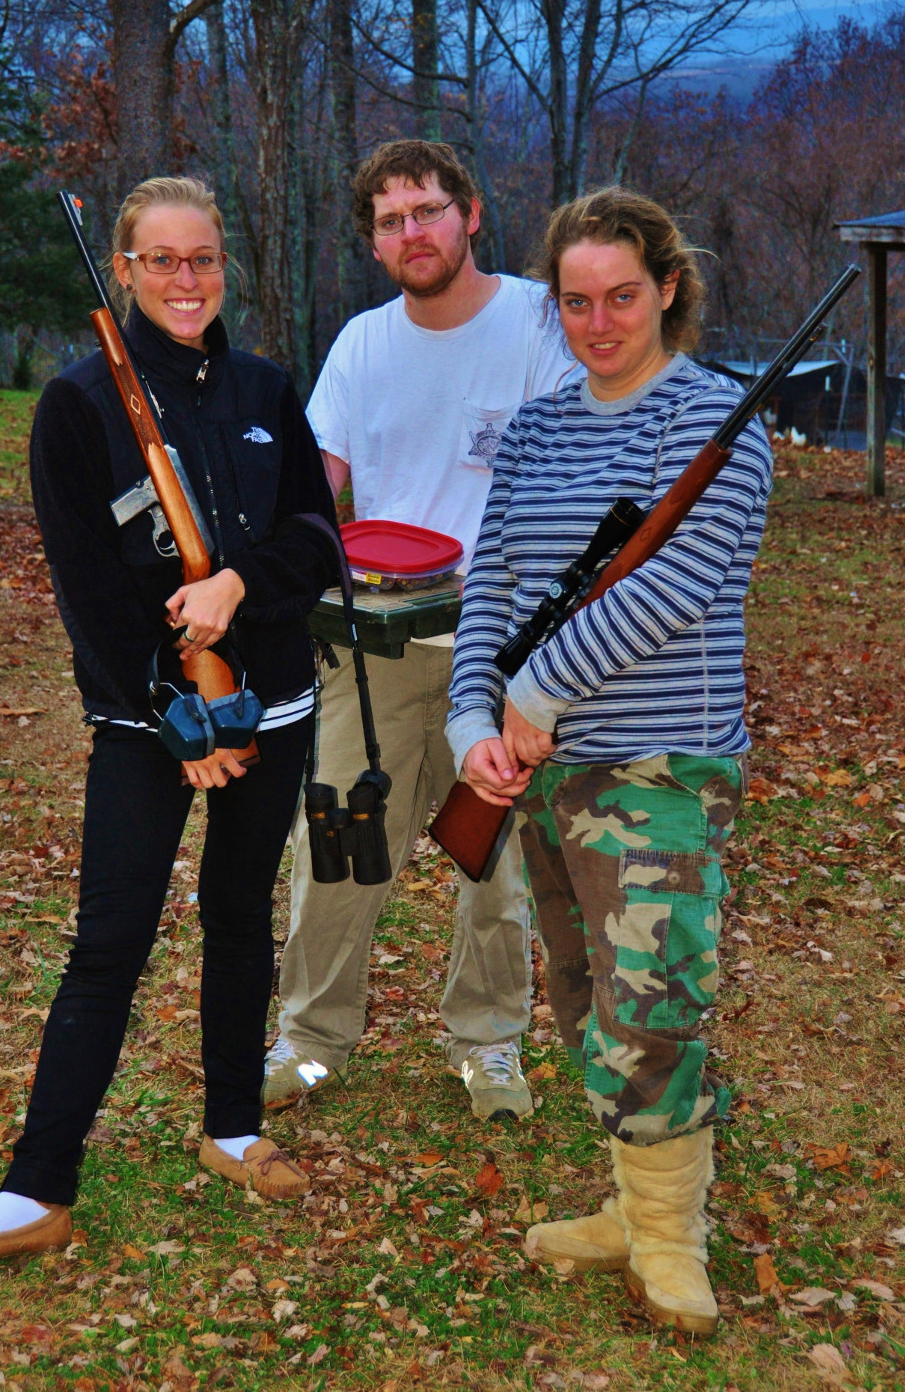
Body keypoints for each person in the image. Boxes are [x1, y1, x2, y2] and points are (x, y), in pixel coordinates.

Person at [0, 176, 338, 1273]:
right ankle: (36, 1186)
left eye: (204, 259)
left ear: (222, 267)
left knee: (240, 914)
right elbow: (91, 596)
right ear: (129, 268)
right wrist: (179, 713)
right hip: (150, 726)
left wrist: (238, 584)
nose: (186, 280)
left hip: (276, 703)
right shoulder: (80, 404)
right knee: (108, 946)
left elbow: (319, 540)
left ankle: (232, 1125)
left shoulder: (266, 386)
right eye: (162, 260)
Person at [446, 187, 771, 1334]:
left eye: (622, 296)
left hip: (663, 770)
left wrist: (537, 693)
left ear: (668, 288)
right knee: (584, 994)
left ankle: (672, 1238)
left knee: (652, 1004)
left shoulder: (719, 422)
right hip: (544, 772)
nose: (598, 321)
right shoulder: (533, 430)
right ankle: (629, 1209)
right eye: (575, 301)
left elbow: (676, 589)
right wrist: (471, 723)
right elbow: (490, 589)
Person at [264, 139, 578, 1123]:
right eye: (392, 219)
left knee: (490, 861)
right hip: (377, 647)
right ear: (373, 239)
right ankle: (309, 1040)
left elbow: (580, 465)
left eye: (428, 210)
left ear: (470, 213)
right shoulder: (362, 344)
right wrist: (280, 570)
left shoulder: (537, 322)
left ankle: (488, 1043)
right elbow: (319, 479)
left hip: (504, 652)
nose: (413, 232)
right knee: (337, 845)